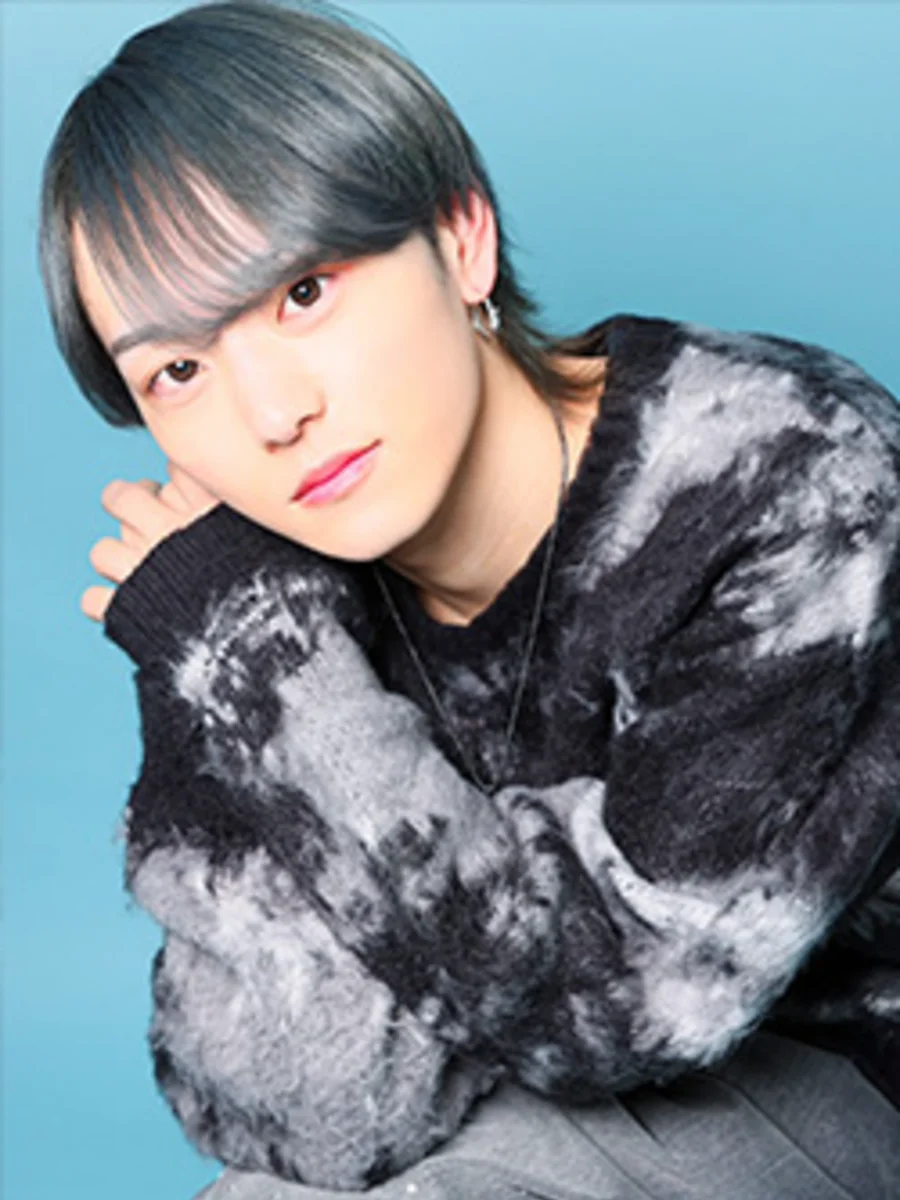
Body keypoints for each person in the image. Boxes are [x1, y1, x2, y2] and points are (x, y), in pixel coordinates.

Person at [39, 1, 900, 1197]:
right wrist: (245, 661)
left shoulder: (782, 477)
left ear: (461, 240)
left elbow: (632, 1007)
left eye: (304, 293)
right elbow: (304, 1115)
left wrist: (261, 665)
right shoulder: (257, 598)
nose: (273, 415)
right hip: (529, 1106)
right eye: (179, 370)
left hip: (842, 1078)